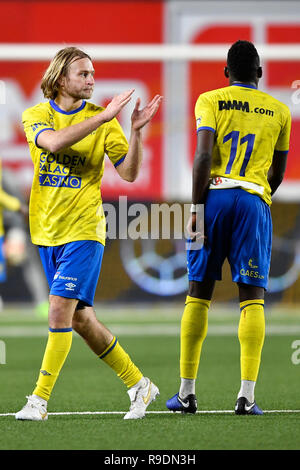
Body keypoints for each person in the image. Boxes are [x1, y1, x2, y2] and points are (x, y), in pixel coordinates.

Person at [16, 46, 162, 421]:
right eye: (83, 74)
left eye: (92, 73)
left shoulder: (104, 119)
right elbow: (52, 143)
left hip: (85, 228)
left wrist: (134, 130)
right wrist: (105, 118)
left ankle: (39, 400)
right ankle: (139, 385)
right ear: (62, 78)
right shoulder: (37, 115)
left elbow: (128, 173)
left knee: (58, 310)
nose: (92, 80)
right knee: (81, 320)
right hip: (47, 231)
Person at [166, 40, 291, 415]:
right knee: (252, 297)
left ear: (226, 73)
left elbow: (204, 155)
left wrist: (195, 208)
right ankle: (246, 396)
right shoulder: (280, 111)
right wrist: (256, 194)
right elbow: (278, 173)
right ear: (260, 74)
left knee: (198, 292)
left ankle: (186, 393)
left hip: (215, 197)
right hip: (253, 200)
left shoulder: (209, 100)